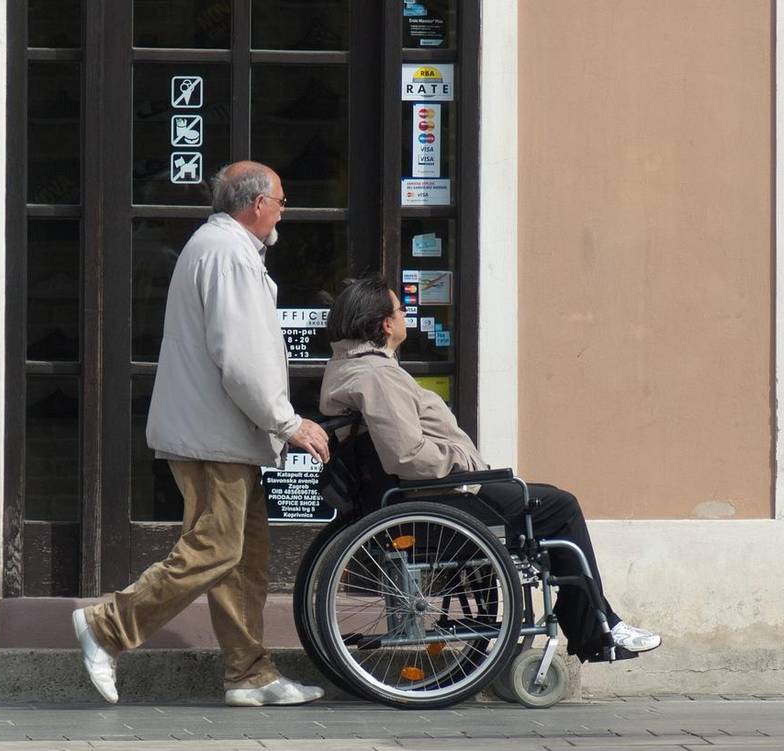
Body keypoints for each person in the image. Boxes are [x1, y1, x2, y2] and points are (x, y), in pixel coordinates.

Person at [72, 161, 331, 707]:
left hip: (219, 433)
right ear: (256, 204)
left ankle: (249, 674)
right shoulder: (229, 254)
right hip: (214, 436)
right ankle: (107, 626)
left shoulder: (221, 248)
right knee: (216, 549)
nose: (284, 210)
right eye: (281, 201)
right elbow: (241, 358)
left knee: (243, 556)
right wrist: (288, 421)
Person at [318, 276, 661, 662]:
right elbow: (407, 456)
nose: (404, 316)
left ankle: (591, 617)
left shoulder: (350, 368)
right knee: (559, 507)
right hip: (436, 497)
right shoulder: (377, 376)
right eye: (400, 309)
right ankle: (596, 623)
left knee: (544, 501)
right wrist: (463, 463)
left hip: (423, 496)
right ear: (384, 323)